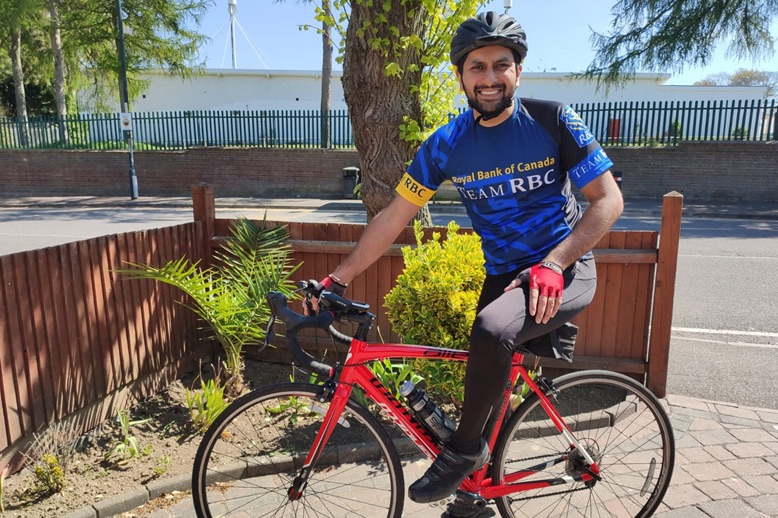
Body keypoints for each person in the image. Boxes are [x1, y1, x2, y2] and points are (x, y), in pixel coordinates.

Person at [315, 10, 623, 506]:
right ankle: (471, 500)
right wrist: (338, 278)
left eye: (501, 65)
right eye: (477, 67)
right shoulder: (447, 144)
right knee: (486, 388)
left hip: (562, 268)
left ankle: (459, 457)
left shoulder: (552, 120)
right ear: (461, 76)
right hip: (505, 276)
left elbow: (608, 201)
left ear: (518, 71)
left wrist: (555, 262)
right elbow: (394, 216)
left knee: (491, 331)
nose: (490, 77)